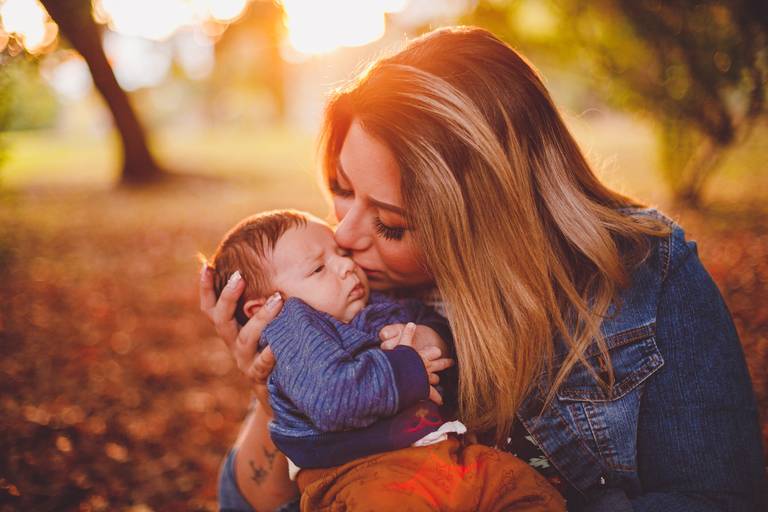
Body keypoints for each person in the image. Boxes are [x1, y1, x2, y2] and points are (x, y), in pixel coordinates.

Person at [200, 26, 767, 512]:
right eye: (342, 191)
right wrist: (274, 391)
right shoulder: (340, 299)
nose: (344, 235)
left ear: (489, 222)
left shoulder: (647, 276)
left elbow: (717, 498)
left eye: (391, 225)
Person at [205, 208, 566, 511]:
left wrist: (430, 338)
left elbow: (427, 320)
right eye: (319, 269)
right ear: (263, 309)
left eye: (339, 254)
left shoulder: (371, 304)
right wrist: (410, 369)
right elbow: (334, 399)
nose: (346, 266)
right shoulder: (291, 326)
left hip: (445, 452)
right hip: (361, 474)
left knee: (523, 488)